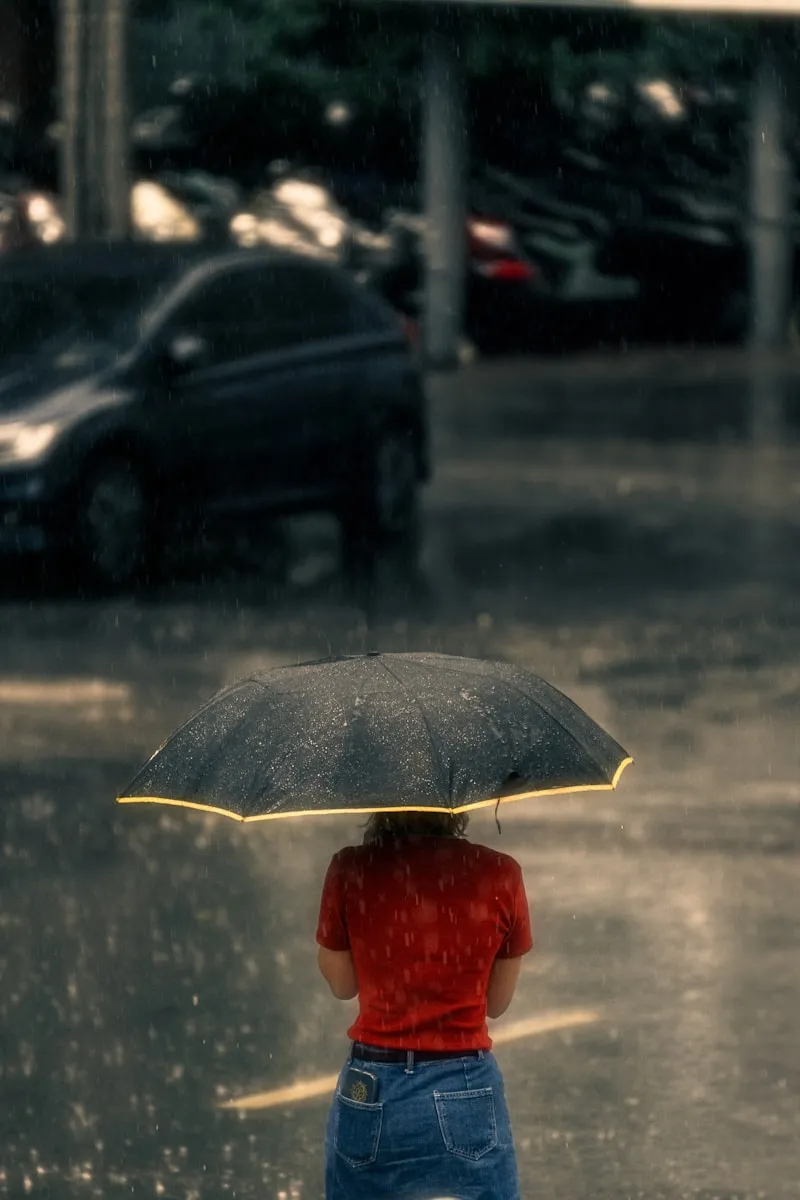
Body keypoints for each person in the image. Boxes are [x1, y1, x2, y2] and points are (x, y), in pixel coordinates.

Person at [316, 809, 533, 1200]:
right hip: (465, 1089)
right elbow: (496, 1004)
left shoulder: (350, 869)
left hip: (372, 1088)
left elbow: (343, 985)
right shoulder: (500, 874)